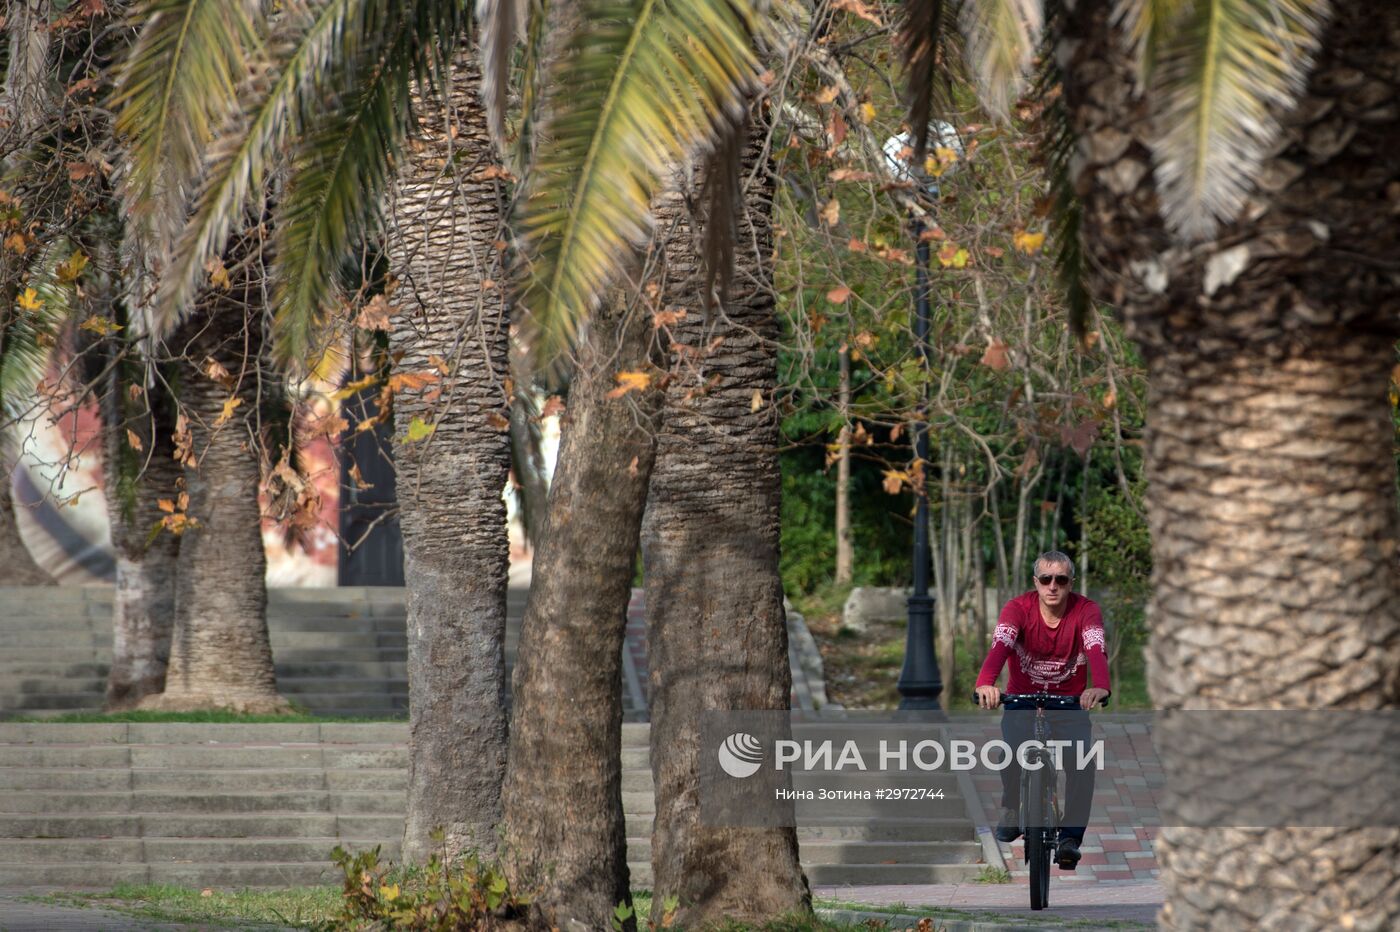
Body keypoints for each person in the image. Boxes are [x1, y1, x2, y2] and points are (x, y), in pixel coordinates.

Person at [973, 551, 1110, 870]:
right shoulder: (1017, 609)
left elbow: (1095, 650)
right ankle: (1010, 807)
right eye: (1046, 579)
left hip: (1069, 703)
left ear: (1070, 583)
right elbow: (1000, 648)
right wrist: (986, 683)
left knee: (1082, 763)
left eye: (1061, 580)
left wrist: (1099, 685)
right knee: (1010, 750)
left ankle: (1070, 839)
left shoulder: (1086, 611)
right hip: (1023, 698)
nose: (1053, 586)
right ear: (1036, 582)